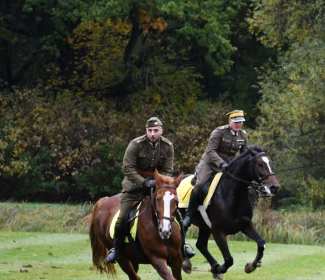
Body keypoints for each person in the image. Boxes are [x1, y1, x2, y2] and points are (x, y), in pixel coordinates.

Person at [105, 117, 195, 264]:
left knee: (177, 215)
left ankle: (183, 246)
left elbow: (168, 169)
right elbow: (127, 168)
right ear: (146, 131)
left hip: (157, 187)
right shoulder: (135, 144)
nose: (152, 134)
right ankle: (116, 249)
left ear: (161, 131)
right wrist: (144, 182)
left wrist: (160, 183)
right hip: (134, 188)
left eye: (155, 130)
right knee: (122, 218)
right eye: (149, 131)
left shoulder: (167, 146)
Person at [182, 110, 250, 231]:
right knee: (200, 183)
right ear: (230, 121)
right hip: (210, 163)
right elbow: (210, 151)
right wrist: (222, 163)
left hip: (228, 166)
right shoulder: (219, 132)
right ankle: (189, 215)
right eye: (235, 121)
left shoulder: (243, 135)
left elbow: (244, 155)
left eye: (240, 122)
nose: (238, 124)